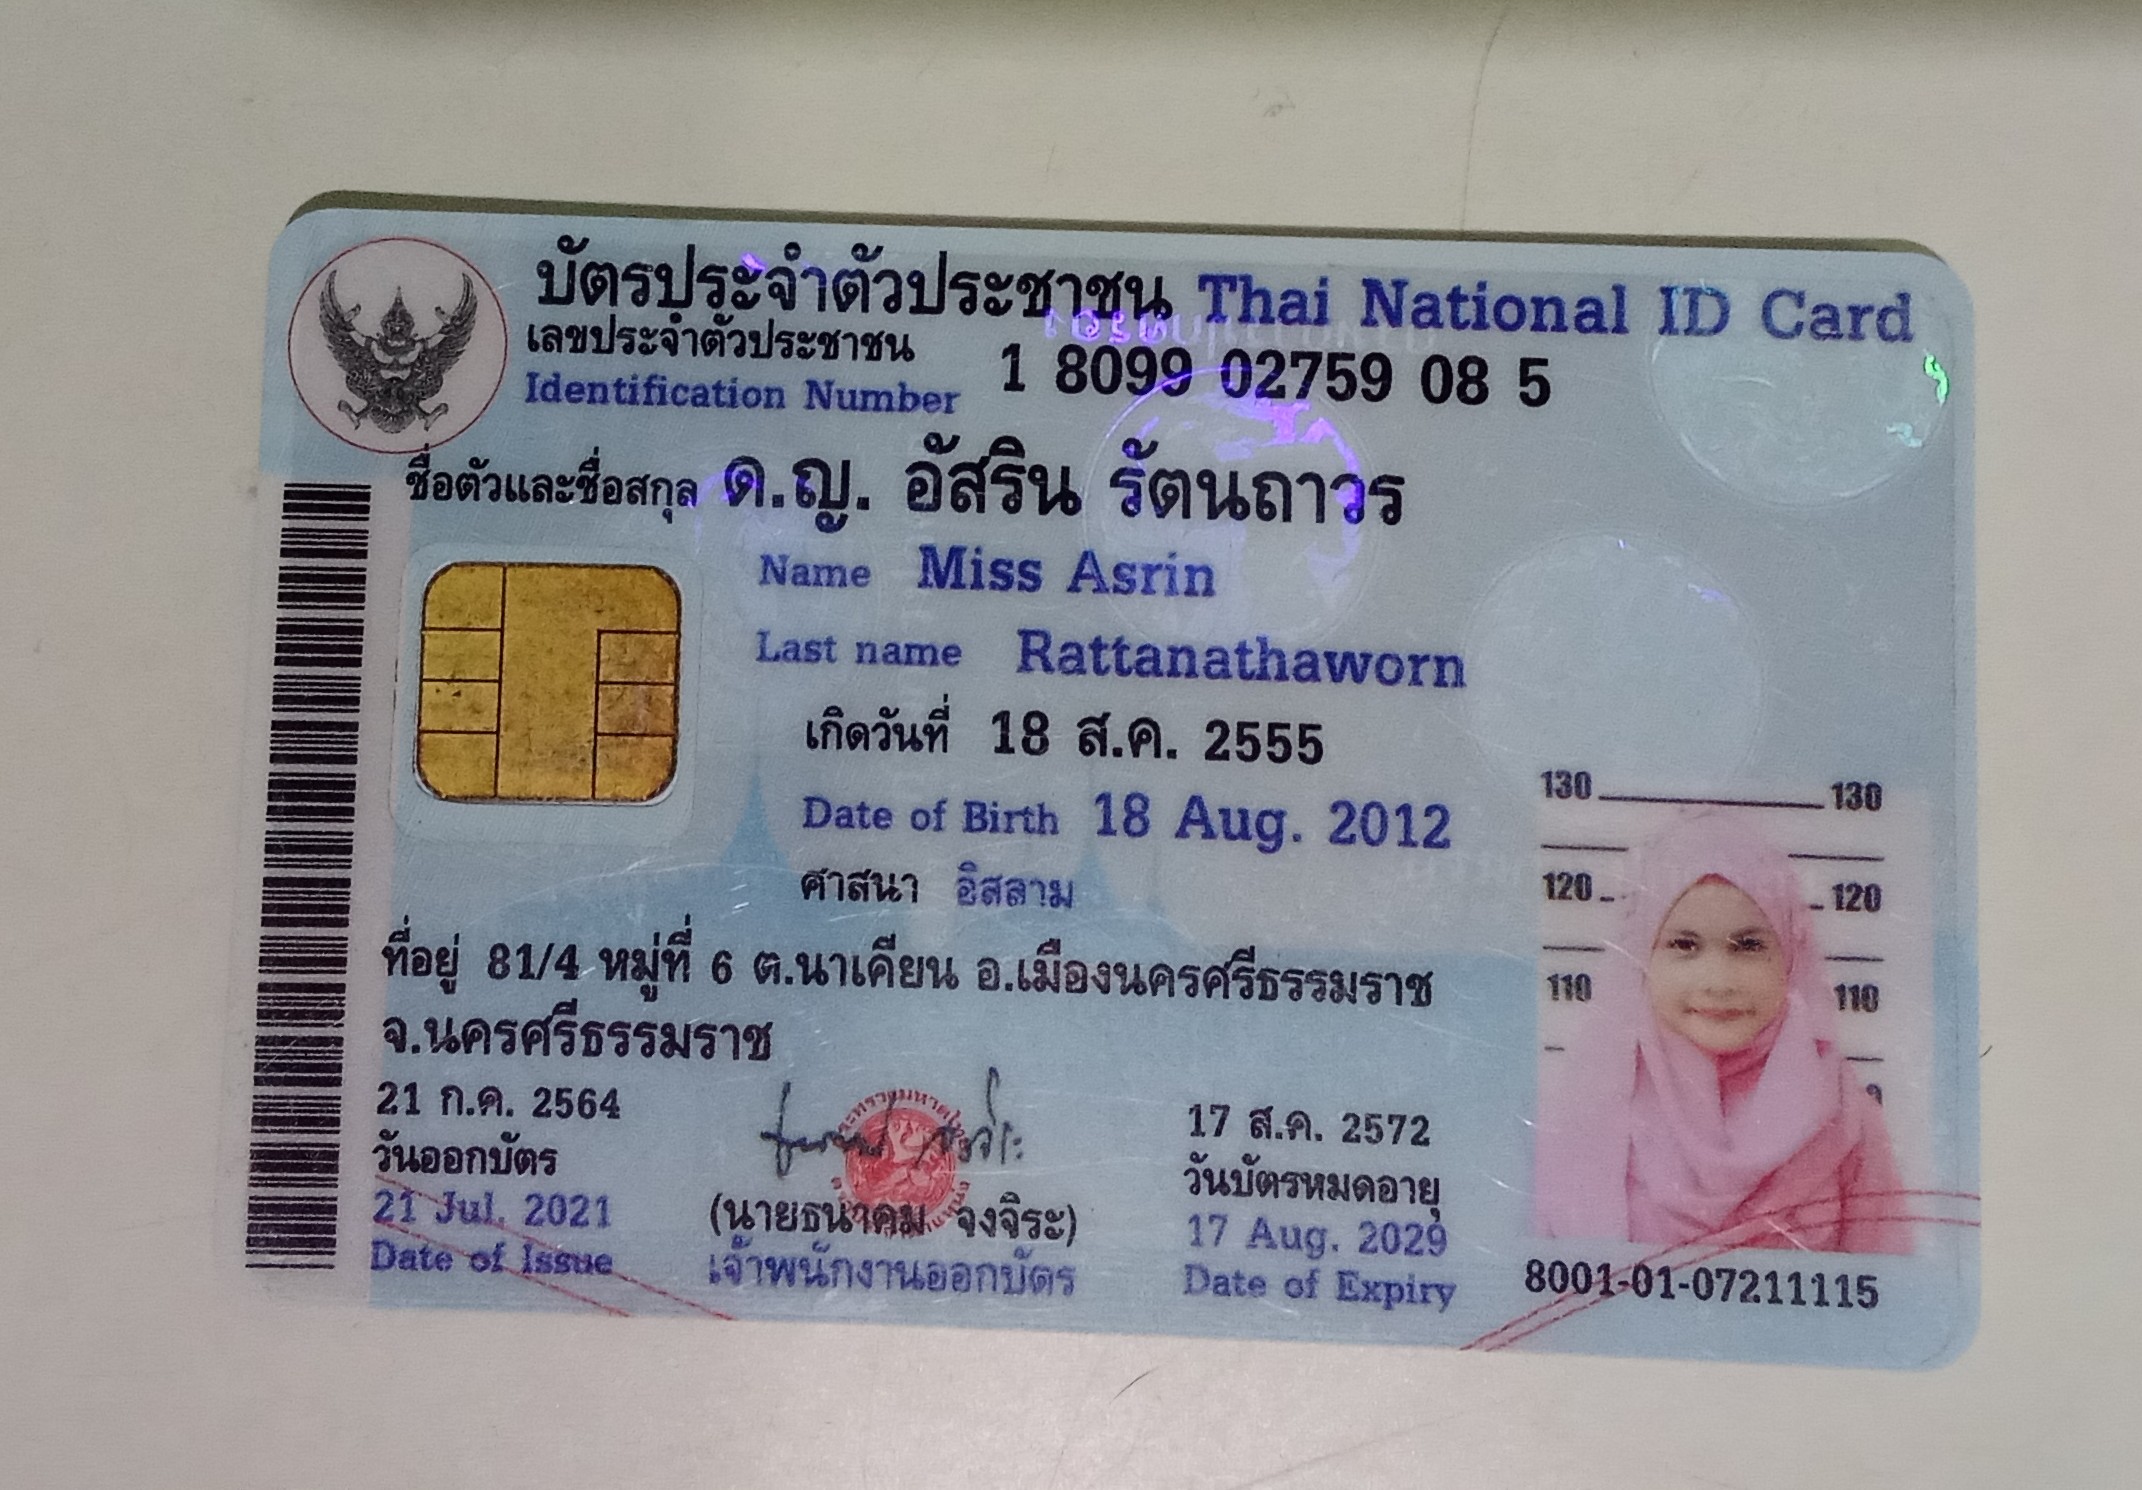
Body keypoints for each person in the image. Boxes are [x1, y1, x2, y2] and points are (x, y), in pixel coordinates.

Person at [1533, 812, 1911, 1253]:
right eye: (1684, 945)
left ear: (1791, 954)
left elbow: (1887, 1281)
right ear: (1642, 957)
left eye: (1748, 946)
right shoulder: (1592, 1108)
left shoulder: (1845, 1116)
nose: (1718, 981)